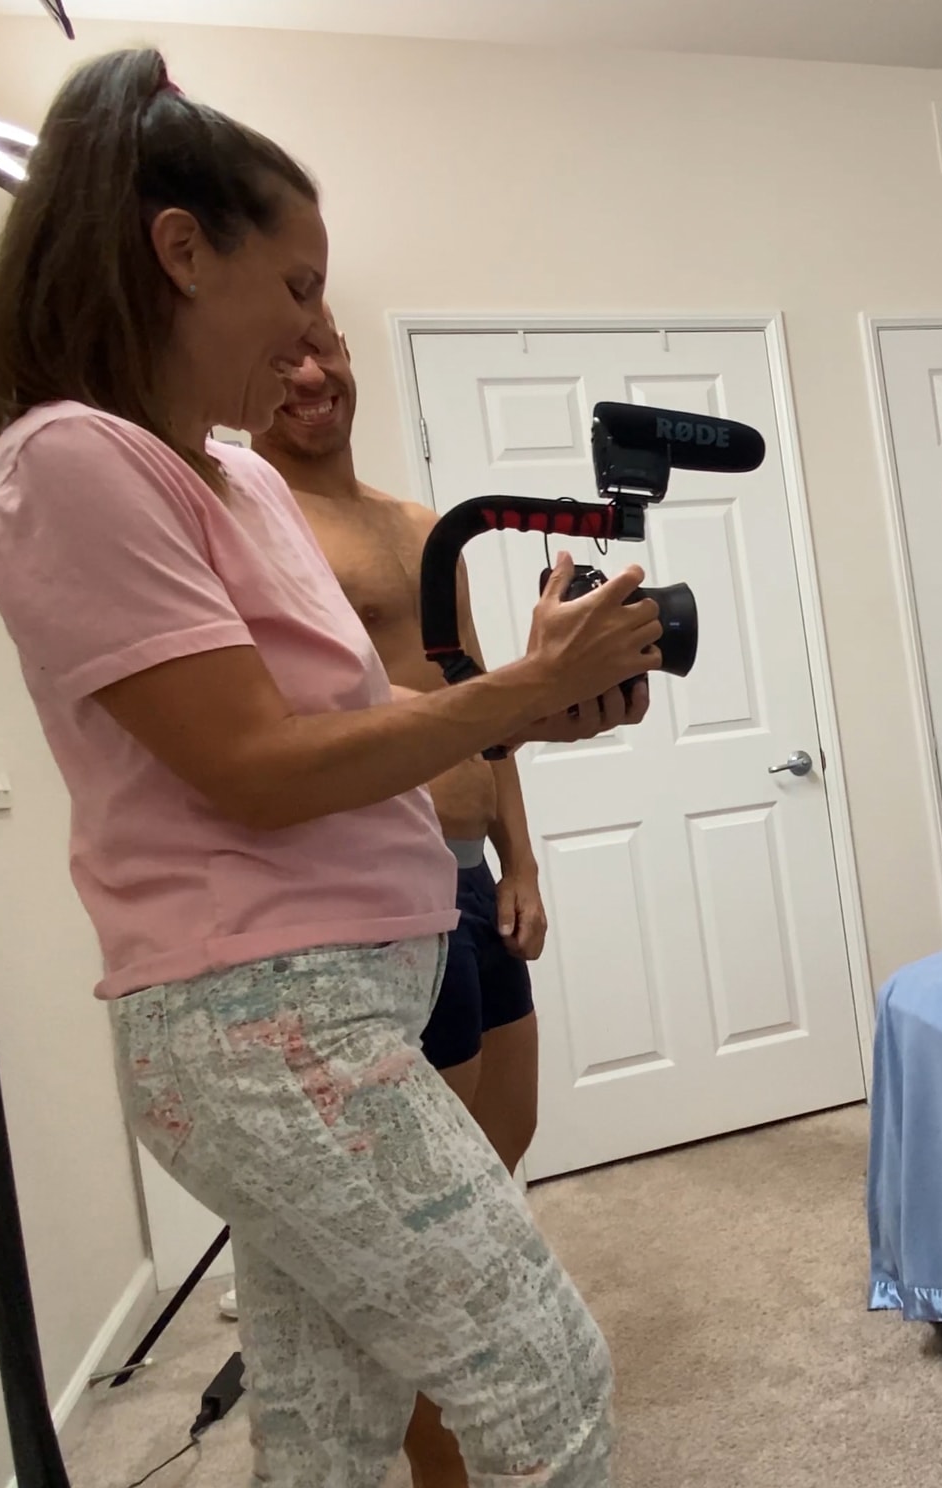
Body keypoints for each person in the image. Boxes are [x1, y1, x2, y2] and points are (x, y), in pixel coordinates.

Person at [0, 49, 647, 1485]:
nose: (310, 334)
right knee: (544, 1377)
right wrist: (516, 690)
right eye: (295, 285)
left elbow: (349, 715)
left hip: (344, 994)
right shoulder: (74, 460)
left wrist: (527, 710)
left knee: (328, 1431)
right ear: (179, 252)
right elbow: (256, 768)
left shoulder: (240, 477)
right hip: (263, 1017)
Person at [250, 310, 550, 1487]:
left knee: (504, 1141)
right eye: (282, 353)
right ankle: (442, 1464)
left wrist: (522, 861)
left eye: (323, 345)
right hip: (384, 892)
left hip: (471, 874)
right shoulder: (255, 521)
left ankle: (442, 1396)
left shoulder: (422, 527)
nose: (310, 372)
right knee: (429, 1217)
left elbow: (482, 700)